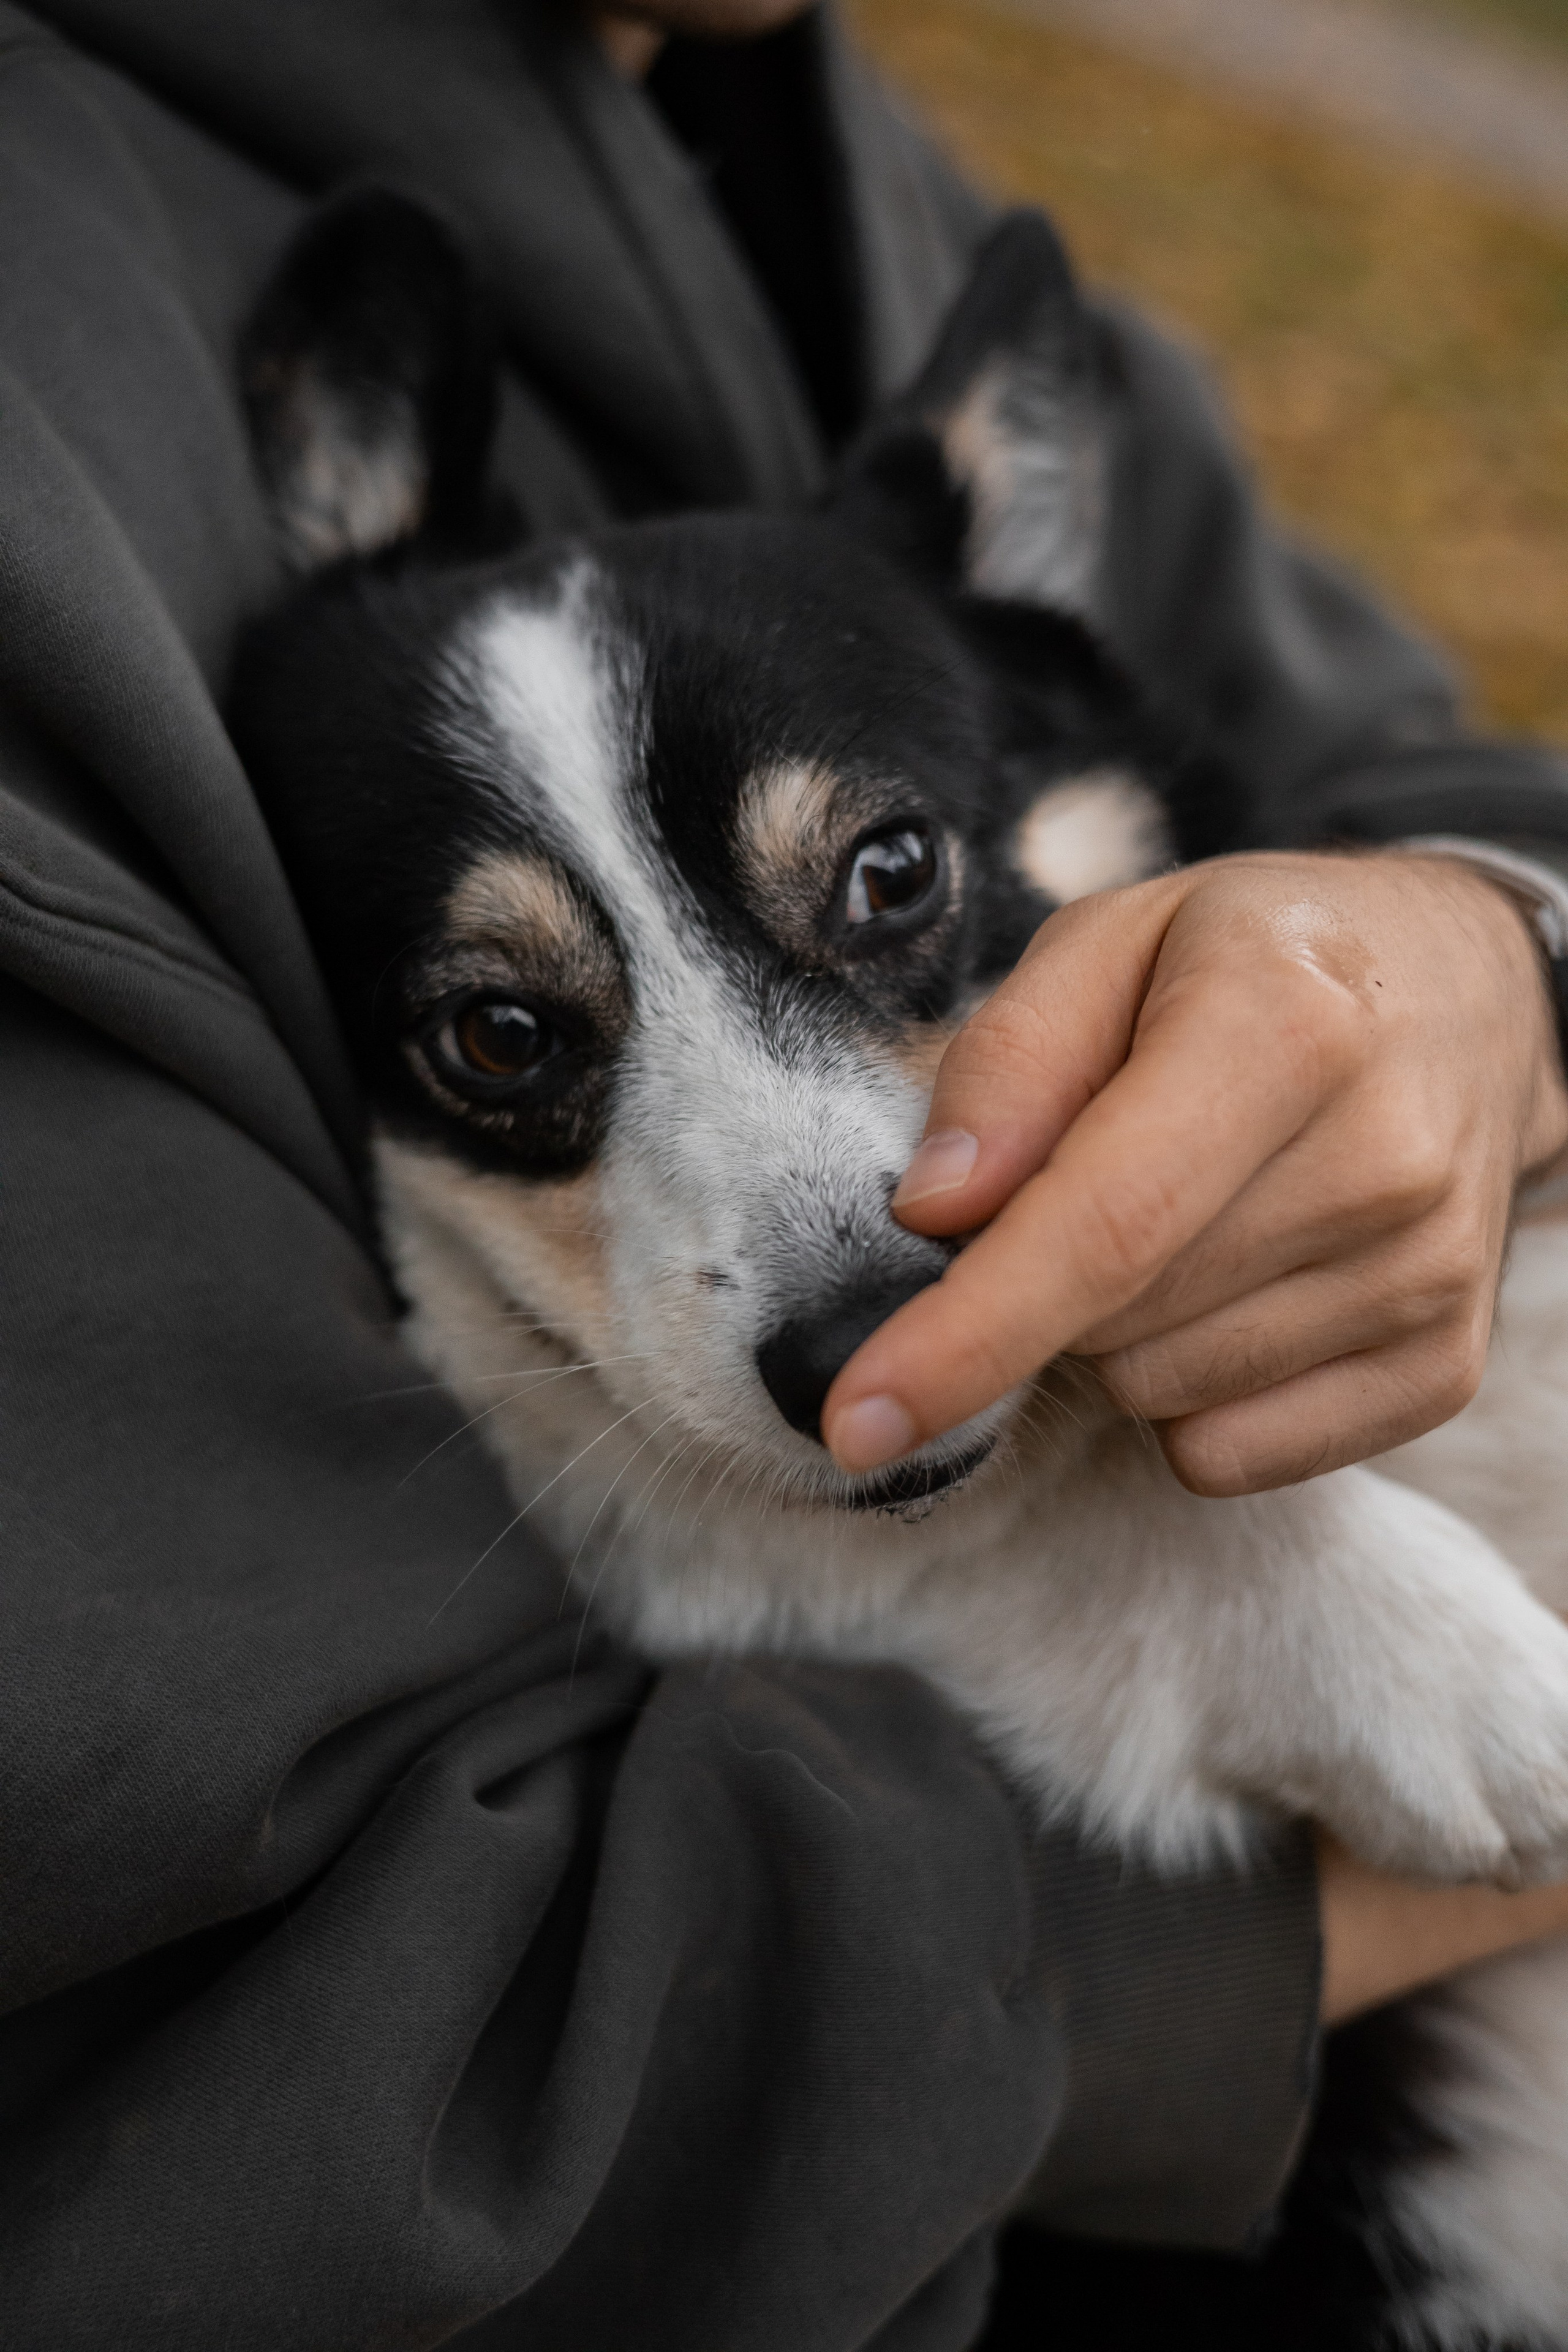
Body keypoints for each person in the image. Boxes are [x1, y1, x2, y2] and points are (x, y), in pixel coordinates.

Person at [1, 1, 1567, 2343]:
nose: (854, 1254)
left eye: (886, 889)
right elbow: (341, 2062)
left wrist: (1496, 952)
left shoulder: (814, 139)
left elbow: (1392, 740)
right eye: (518, 1036)